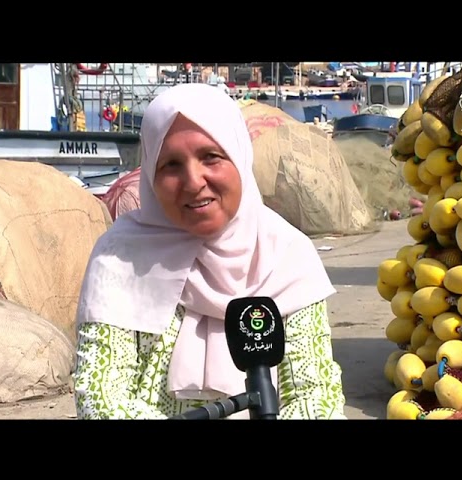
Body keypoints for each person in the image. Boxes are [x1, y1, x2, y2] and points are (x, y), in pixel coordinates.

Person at [73, 83, 346, 420]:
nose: (193, 181)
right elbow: (100, 398)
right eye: (171, 164)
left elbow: (315, 396)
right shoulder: (120, 257)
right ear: (150, 176)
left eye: (211, 157)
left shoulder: (287, 256)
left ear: (239, 156)